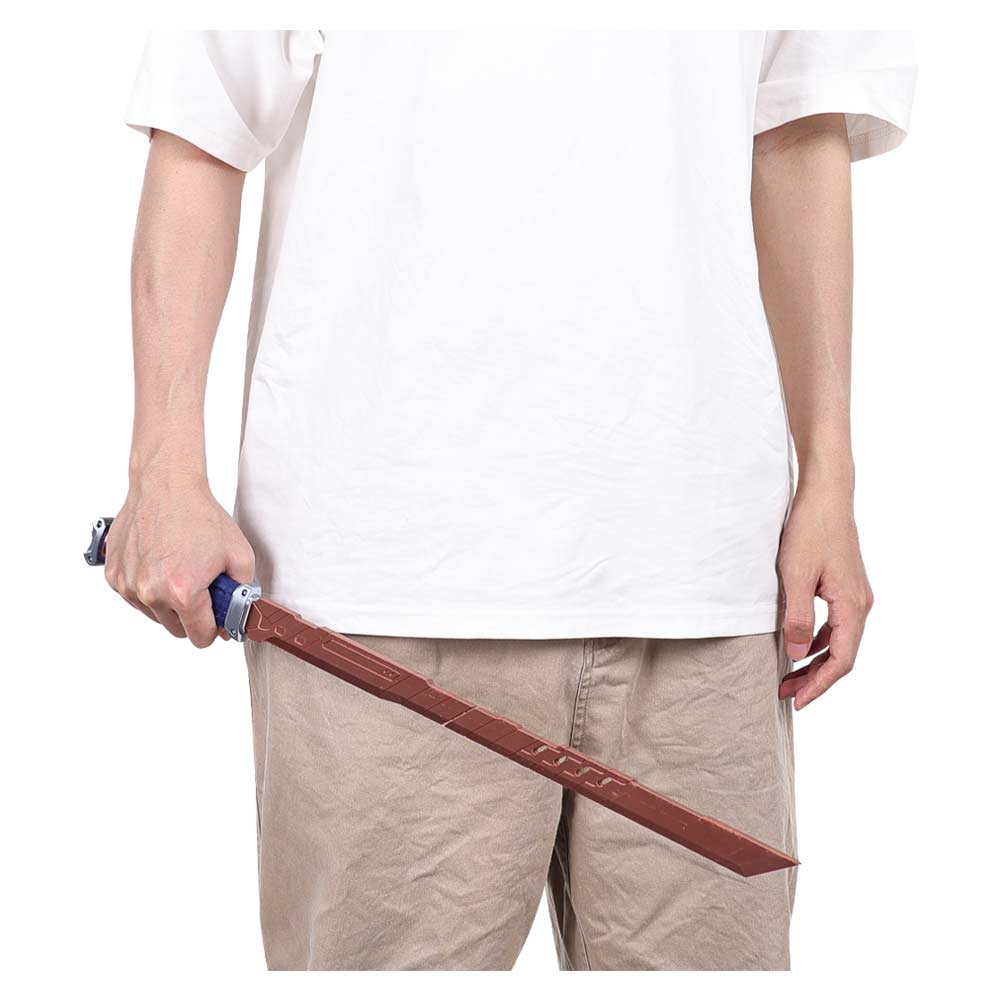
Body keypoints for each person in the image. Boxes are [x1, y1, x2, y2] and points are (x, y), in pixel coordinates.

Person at [104, 30, 916, 970]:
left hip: (702, 579)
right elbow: (203, 118)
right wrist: (162, 472)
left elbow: (798, 127)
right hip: (384, 590)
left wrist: (829, 480)